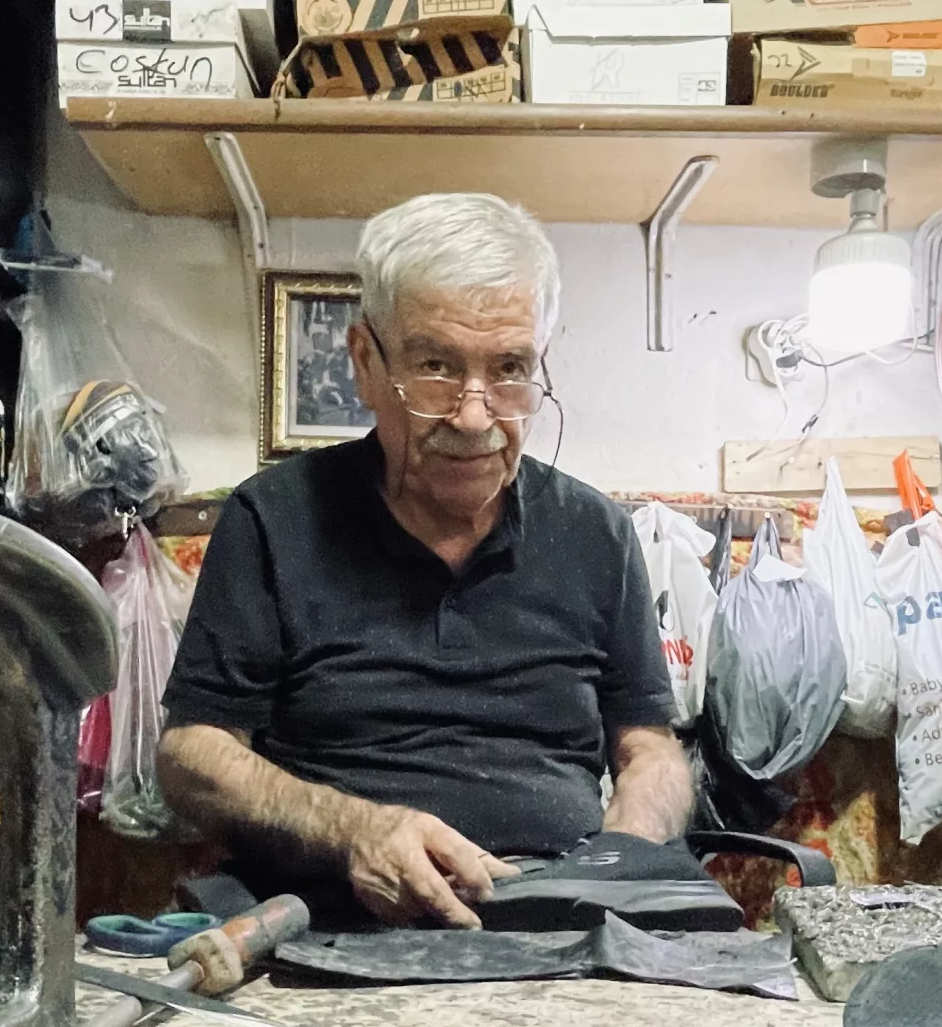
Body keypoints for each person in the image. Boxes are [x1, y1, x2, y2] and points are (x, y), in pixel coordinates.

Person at [158, 192, 691, 928]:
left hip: (559, 912)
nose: (474, 416)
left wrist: (618, 859)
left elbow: (650, 750)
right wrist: (355, 830)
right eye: (435, 365)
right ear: (364, 363)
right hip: (332, 916)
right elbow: (191, 754)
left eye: (510, 368)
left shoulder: (597, 533)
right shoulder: (272, 519)